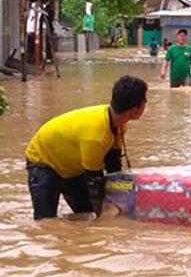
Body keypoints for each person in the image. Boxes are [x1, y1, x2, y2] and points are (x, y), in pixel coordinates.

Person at [25, 76, 148, 220]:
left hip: (72, 166)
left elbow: (113, 167)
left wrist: (122, 204)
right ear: (136, 107)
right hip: (43, 163)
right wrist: (101, 219)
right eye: (145, 100)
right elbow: (94, 181)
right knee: (45, 221)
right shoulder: (96, 137)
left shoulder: (118, 124)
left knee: (84, 214)